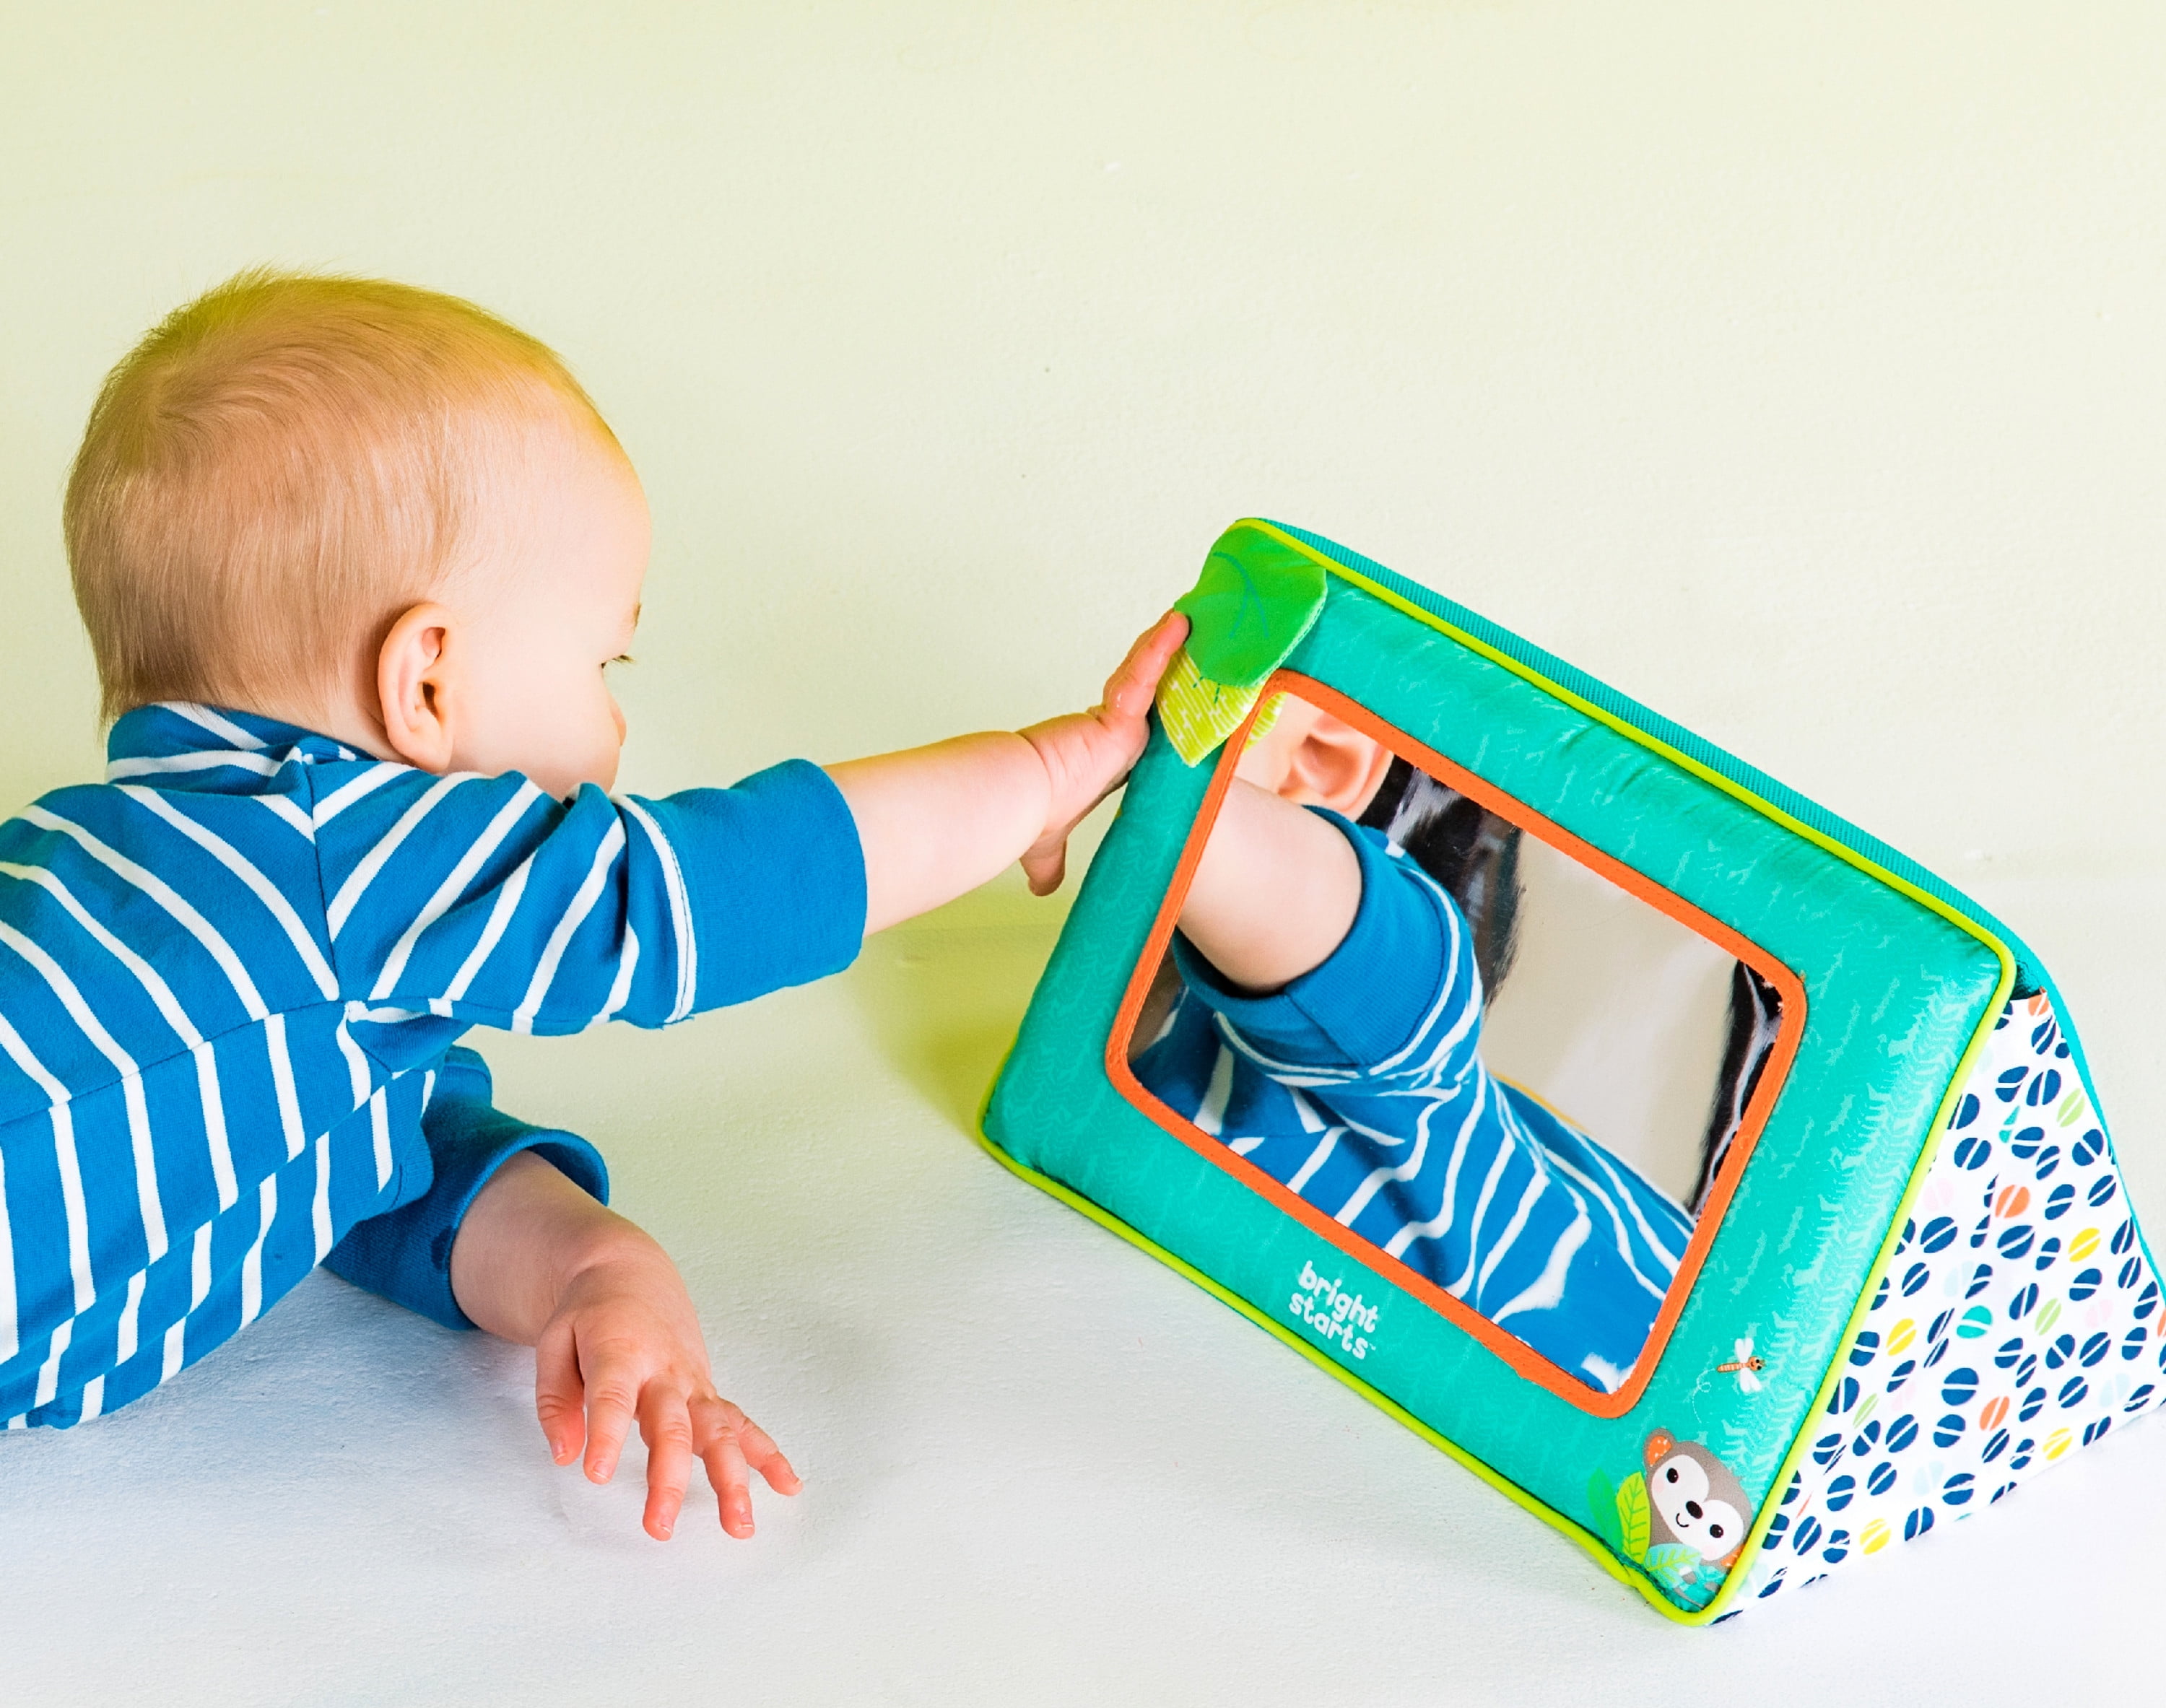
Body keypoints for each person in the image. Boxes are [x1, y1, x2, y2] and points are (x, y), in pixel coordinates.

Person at [27, 269, 1180, 1537]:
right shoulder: (326, 855)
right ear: (426, 685)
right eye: (601, 661)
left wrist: (593, 1266)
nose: (620, 722)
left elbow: (363, 1160)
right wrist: (1041, 773)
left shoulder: (226, 926)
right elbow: (705, 891)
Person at [1131, 692, 1703, 1391]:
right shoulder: (1132, 1065)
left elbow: (1307, 901)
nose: (1131, 707)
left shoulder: (1395, 1028)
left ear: (1317, 758)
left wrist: (1044, 777)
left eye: (1196, 687)